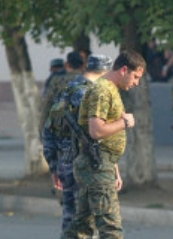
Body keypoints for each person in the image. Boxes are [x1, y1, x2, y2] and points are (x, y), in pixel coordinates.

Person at [63, 50, 146, 239]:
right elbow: (96, 131)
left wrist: (114, 170)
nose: (136, 82)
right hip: (96, 167)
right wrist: (125, 122)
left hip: (99, 163)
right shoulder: (102, 90)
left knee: (81, 228)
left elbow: (102, 139)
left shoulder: (110, 89)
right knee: (111, 229)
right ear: (124, 69)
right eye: (135, 76)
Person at [42, 54, 113, 237]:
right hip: (86, 164)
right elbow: (98, 134)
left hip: (65, 162)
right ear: (104, 72)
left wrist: (53, 166)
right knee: (86, 221)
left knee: (70, 216)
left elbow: (48, 130)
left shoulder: (65, 91)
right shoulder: (92, 94)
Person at [40, 51, 84, 133]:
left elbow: (47, 104)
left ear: (67, 64)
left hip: (61, 131)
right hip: (83, 132)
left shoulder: (56, 81)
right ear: (83, 66)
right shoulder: (89, 82)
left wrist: (42, 129)